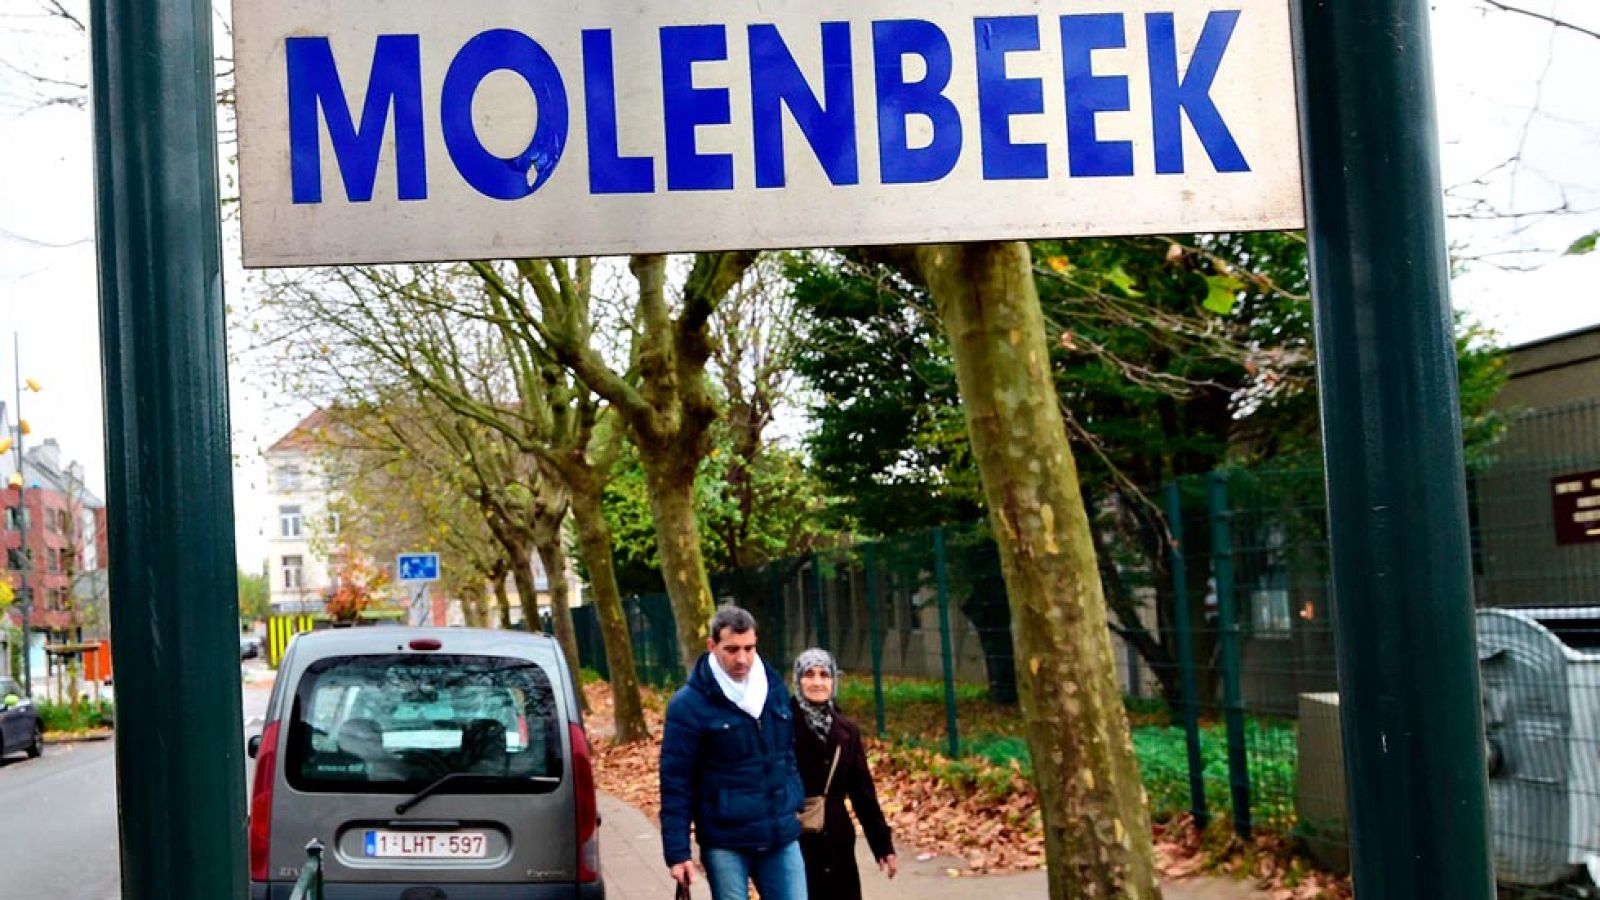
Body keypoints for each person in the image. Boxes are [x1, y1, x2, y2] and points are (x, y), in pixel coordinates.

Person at [660, 605, 807, 900]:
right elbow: (676, 782)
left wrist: (794, 796)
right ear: (712, 646)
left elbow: (786, 752)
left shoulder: (774, 689)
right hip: (726, 839)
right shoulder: (688, 705)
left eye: (749, 649)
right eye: (732, 649)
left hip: (779, 832)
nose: (742, 659)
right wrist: (678, 852)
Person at [791, 648, 897, 900]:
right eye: (809, 675)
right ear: (797, 680)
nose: (817, 682)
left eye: (824, 675)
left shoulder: (846, 730)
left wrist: (882, 845)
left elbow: (863, 792)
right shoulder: (782, 724)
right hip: (795, 836)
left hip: (837, 837)